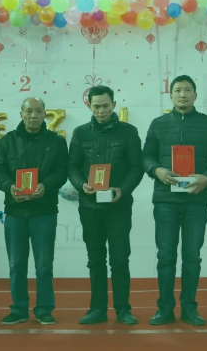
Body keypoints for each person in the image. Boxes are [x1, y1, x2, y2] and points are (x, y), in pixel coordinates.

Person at [142, 75, 207, 326]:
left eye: (188, 90)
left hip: (196, 200)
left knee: (192, 256)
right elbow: (146, 156)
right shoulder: (158, 124)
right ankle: (164, 308)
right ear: (170, 95)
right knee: (166, 256)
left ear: (195, 95)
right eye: (178, 90)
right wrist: (157, 170)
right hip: (165, 200)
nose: (183, 94)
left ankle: (190, 308)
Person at [68, 85, 144, 325]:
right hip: (89, 207)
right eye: (96, 106)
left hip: (118, 206)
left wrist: (123, 189)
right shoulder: (80, 133)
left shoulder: (129, 132)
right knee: (95, 259)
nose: (101, 110)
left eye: (105, 106)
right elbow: (72, 167)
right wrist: (81, 185)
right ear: (89, 106)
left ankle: (123, 309)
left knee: (120, 259)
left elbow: (137, 167)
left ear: (114, 105)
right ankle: (97, 309)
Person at [0, 97, 68, 325]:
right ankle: (18, 309)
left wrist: (45, 186)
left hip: (44, 210)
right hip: (15, 211)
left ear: (45, 114)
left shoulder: (56, 141)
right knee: (16, 264)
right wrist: (9, 187)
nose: (33, 116)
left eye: (38, 111)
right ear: (21, 114)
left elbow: (62, 171)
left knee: (44, 264)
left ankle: (44, 308)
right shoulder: (7, 141)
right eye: (29, 111)